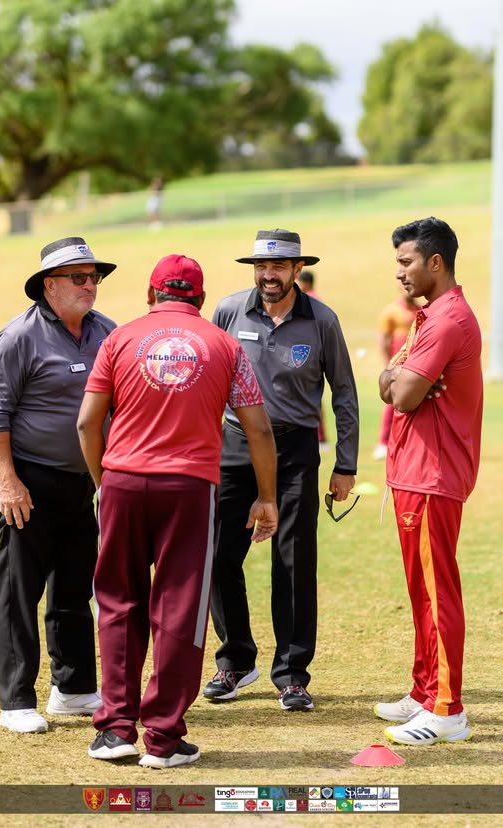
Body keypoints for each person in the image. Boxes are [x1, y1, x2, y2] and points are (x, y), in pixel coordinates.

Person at [76, 254, 278, 767]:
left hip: (122, 480)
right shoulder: (225, 345)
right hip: (190, 487)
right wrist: (267, 496)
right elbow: (258, 428)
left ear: (150, 295)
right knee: (179, 608)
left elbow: (86, 424)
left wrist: (107, 482)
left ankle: (116, 730)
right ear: (201, 300)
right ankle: (163, 737)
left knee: (118, 601)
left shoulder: (119, 339)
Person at [203, 228, 359, 712]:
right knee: (217, 552)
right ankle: (235, 659)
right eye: (261, 267)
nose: (268, 275)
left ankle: (291, 674)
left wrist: (346, 463)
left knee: (292, 560)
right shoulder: (229, 312)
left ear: (296, 270)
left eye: (278, 267)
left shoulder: (322, 321)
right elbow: (206, 383)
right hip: (234, 445)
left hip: (294, 450)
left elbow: (345, 393)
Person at [0, 237, 117, 733]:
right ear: (48, 285)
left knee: (74, 586)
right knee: (20, 590)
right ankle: (16, 699)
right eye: (79, 278)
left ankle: (74, 688)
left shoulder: (107, 331)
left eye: (94, 277)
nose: (90, 285)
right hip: (27, 480)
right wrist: (9, 482)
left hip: (84, 481)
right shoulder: (19, 336)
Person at [376, 217, 483, 746]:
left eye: (406, 262)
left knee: (438, 595)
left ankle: (448, 710)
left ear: (435, 263)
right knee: (422, 594)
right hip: (416, 472)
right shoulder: (428, 317)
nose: (399, 273)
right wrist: (396, 379)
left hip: (433, 475)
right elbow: (387, 380)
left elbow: (402, 394)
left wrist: (397, 381)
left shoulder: (446, 322)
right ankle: (424, 691)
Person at [372, 289, 420, 460]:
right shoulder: (391, 311)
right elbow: (384, 341)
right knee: (391, 405)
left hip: (416, 366)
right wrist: (388, 367)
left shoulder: (420, 310)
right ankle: (383, 443)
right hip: (397, 366)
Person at [295, 269, 329, 449]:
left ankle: (320, 437)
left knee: (312, 397)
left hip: (309, 352)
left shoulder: (309, 300)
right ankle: (320, 437)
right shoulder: (313, 298)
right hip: (313, 351)